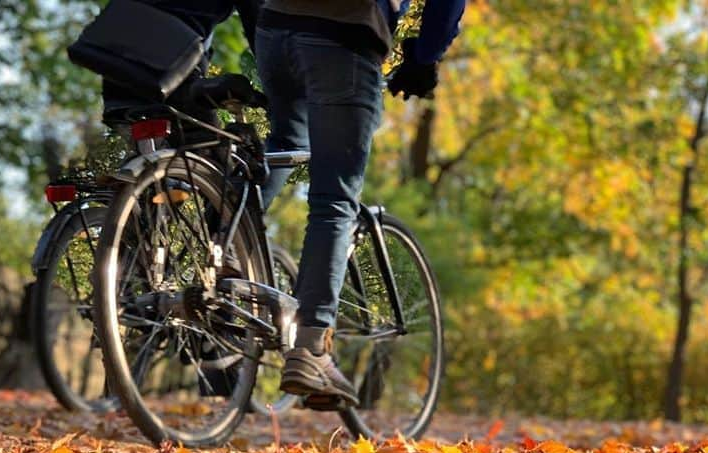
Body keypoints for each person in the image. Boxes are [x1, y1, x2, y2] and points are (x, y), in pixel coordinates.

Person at [256, 0, 467, 408]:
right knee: (333, 201)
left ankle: (219, 253)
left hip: (274, 29)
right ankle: (312, 347)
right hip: (343, 35)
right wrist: (425, 58)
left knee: (284, 143)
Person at [101, 0, 261, 124]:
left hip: (115, 71)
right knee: (208, 149)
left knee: (151, 160)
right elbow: (263, 33)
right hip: (167, 70)